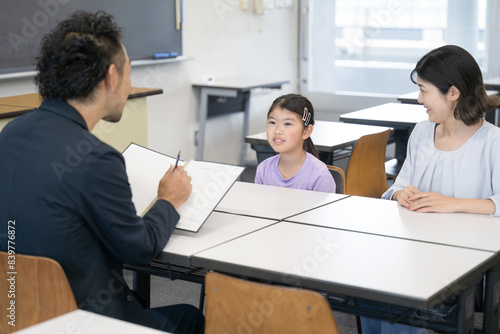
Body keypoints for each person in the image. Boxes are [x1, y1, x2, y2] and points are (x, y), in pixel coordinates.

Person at [0, 11, 204, 333]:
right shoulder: (96, 158)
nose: (129, 84)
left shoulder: (11, 133)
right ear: (111, 77)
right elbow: (139, 248)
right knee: (191, 318)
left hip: (17, 311)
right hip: (80, 319)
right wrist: (168, 200)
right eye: (129, 73)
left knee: (134, 295)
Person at [362, 45, 500, 334]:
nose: (419, 99)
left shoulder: (492, 142)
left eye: (425, 90)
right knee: (369, 283)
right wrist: (401, 194)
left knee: (394, 289)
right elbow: (400, 184)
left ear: (453, 92)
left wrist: (453, 203)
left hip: (467, 258)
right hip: (417, 247)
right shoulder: (423, 131)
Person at [254, 93, 336, 193]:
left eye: (287, 124)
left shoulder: (319, 175)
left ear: (306, 132)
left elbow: (323, 209)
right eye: (272, 122)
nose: (277, 131)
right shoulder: (263, 169)